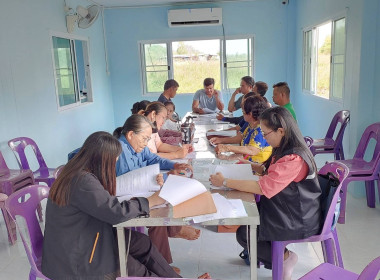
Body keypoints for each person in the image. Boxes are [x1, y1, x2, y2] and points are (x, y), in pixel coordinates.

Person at [41, 131, 180, 279]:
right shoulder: (82, 181)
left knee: (143, 244)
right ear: (102, 160)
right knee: (135, 269)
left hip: (86, 238)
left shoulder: (77, 172)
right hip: (77, 260)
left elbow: (104, 204)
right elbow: (116, 213)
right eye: (113, 161)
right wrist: (150, 201)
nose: (114, 165)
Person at [210, 107, 321, 280]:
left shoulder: (294, 159)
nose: (264, 138)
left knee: (247, 235)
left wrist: (225, 182)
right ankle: (279, 258)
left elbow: (263, 187)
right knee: (245, 232)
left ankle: (285, 258)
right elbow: (268, 170)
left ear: (281, 131)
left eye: (265, 133)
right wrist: (243, 162)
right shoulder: (284, 148)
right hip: (286, 208)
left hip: (297, 217)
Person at [113, 115, 201, 269]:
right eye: (145, 138)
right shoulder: (121, 151)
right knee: (158, 210)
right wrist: (163, 177)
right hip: (123, 200)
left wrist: (174, 166)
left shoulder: (136, 145)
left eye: (148, 139)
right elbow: (132, 182)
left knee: (162, 202)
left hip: (136, 194)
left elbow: (153, 159)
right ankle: (161, 265)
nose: (147, 143)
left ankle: (162, 263)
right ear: (130, 134)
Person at [212, 96, 272, 163]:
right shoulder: (251, 126)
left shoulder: (261, 130)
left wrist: (227, 148)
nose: (242, 115)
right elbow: (240, 140)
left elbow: (252, 150)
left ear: (250, 114)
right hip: (248, 163)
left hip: (257, 169)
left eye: (243, 112)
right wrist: (227, 156)